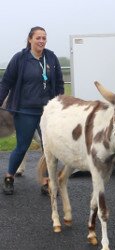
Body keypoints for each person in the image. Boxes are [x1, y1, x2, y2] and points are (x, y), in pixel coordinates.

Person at [0, 26, 64, 195]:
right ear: (30, 39)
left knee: (48, 148)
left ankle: (46, 181)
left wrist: (61, 105)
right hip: (25, 111)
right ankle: (9, 177)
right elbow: (6, 82)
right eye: (38, 38)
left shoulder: (50, 58)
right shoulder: (20, 59)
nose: (41, 41)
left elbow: (58, 83)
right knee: (22, 146)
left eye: (44, 38)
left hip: (47, 112)